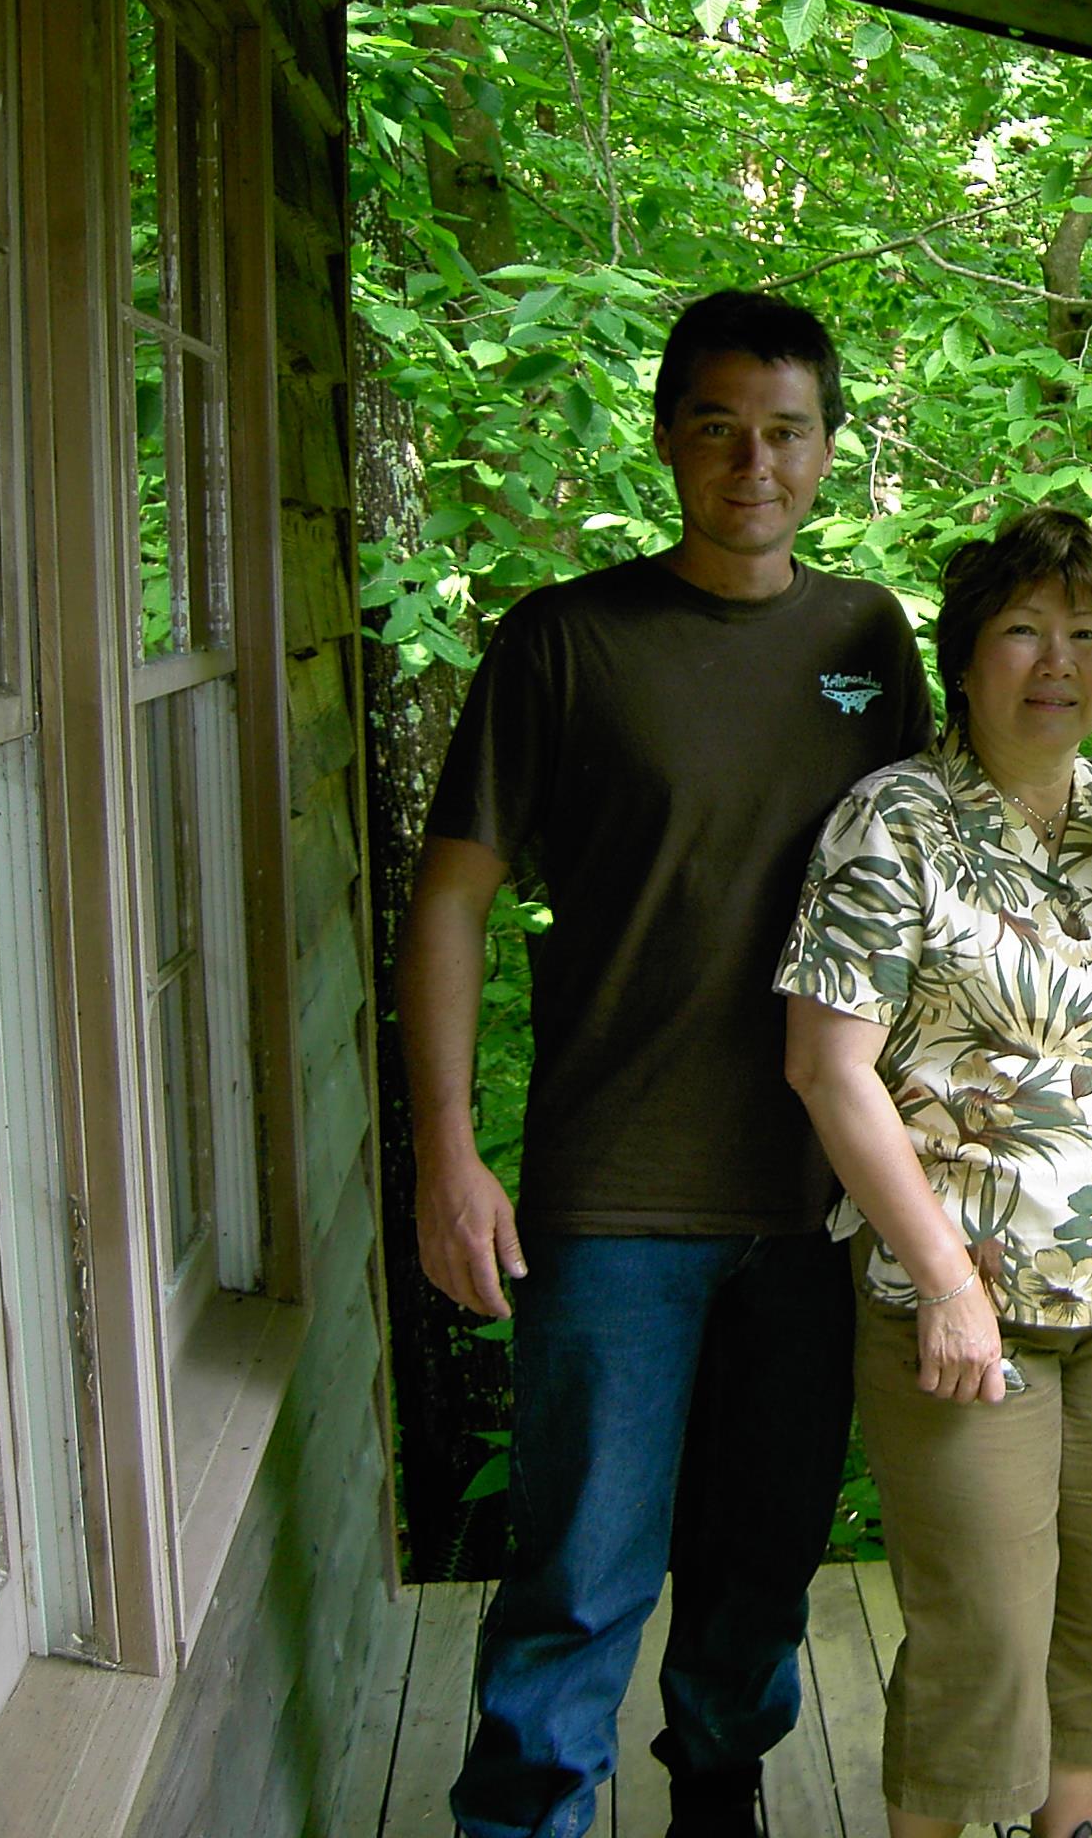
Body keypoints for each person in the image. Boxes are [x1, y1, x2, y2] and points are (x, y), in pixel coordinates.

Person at [400, 290, 933, 1838]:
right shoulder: (566, 640)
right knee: (579, 1571)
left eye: (785, 432)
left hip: (813, 1194)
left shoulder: (868, 639)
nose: (752, 463)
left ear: (828, 449)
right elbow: (451, 894)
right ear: (668, 441)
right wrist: (448, 1152)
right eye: (717, 427)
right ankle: (526, 1819)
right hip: (616, 1187)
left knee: (760, 1560)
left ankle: (720, 1794)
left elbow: (976, 832)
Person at [775, 507, 1092, 1838]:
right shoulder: (893, 822)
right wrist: (950, 1285)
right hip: (961, 1312)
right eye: (1023, 630)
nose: (1056, 660)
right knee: (984, 1642)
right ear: (965, 658)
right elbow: (827, 1068)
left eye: (1086, 633)